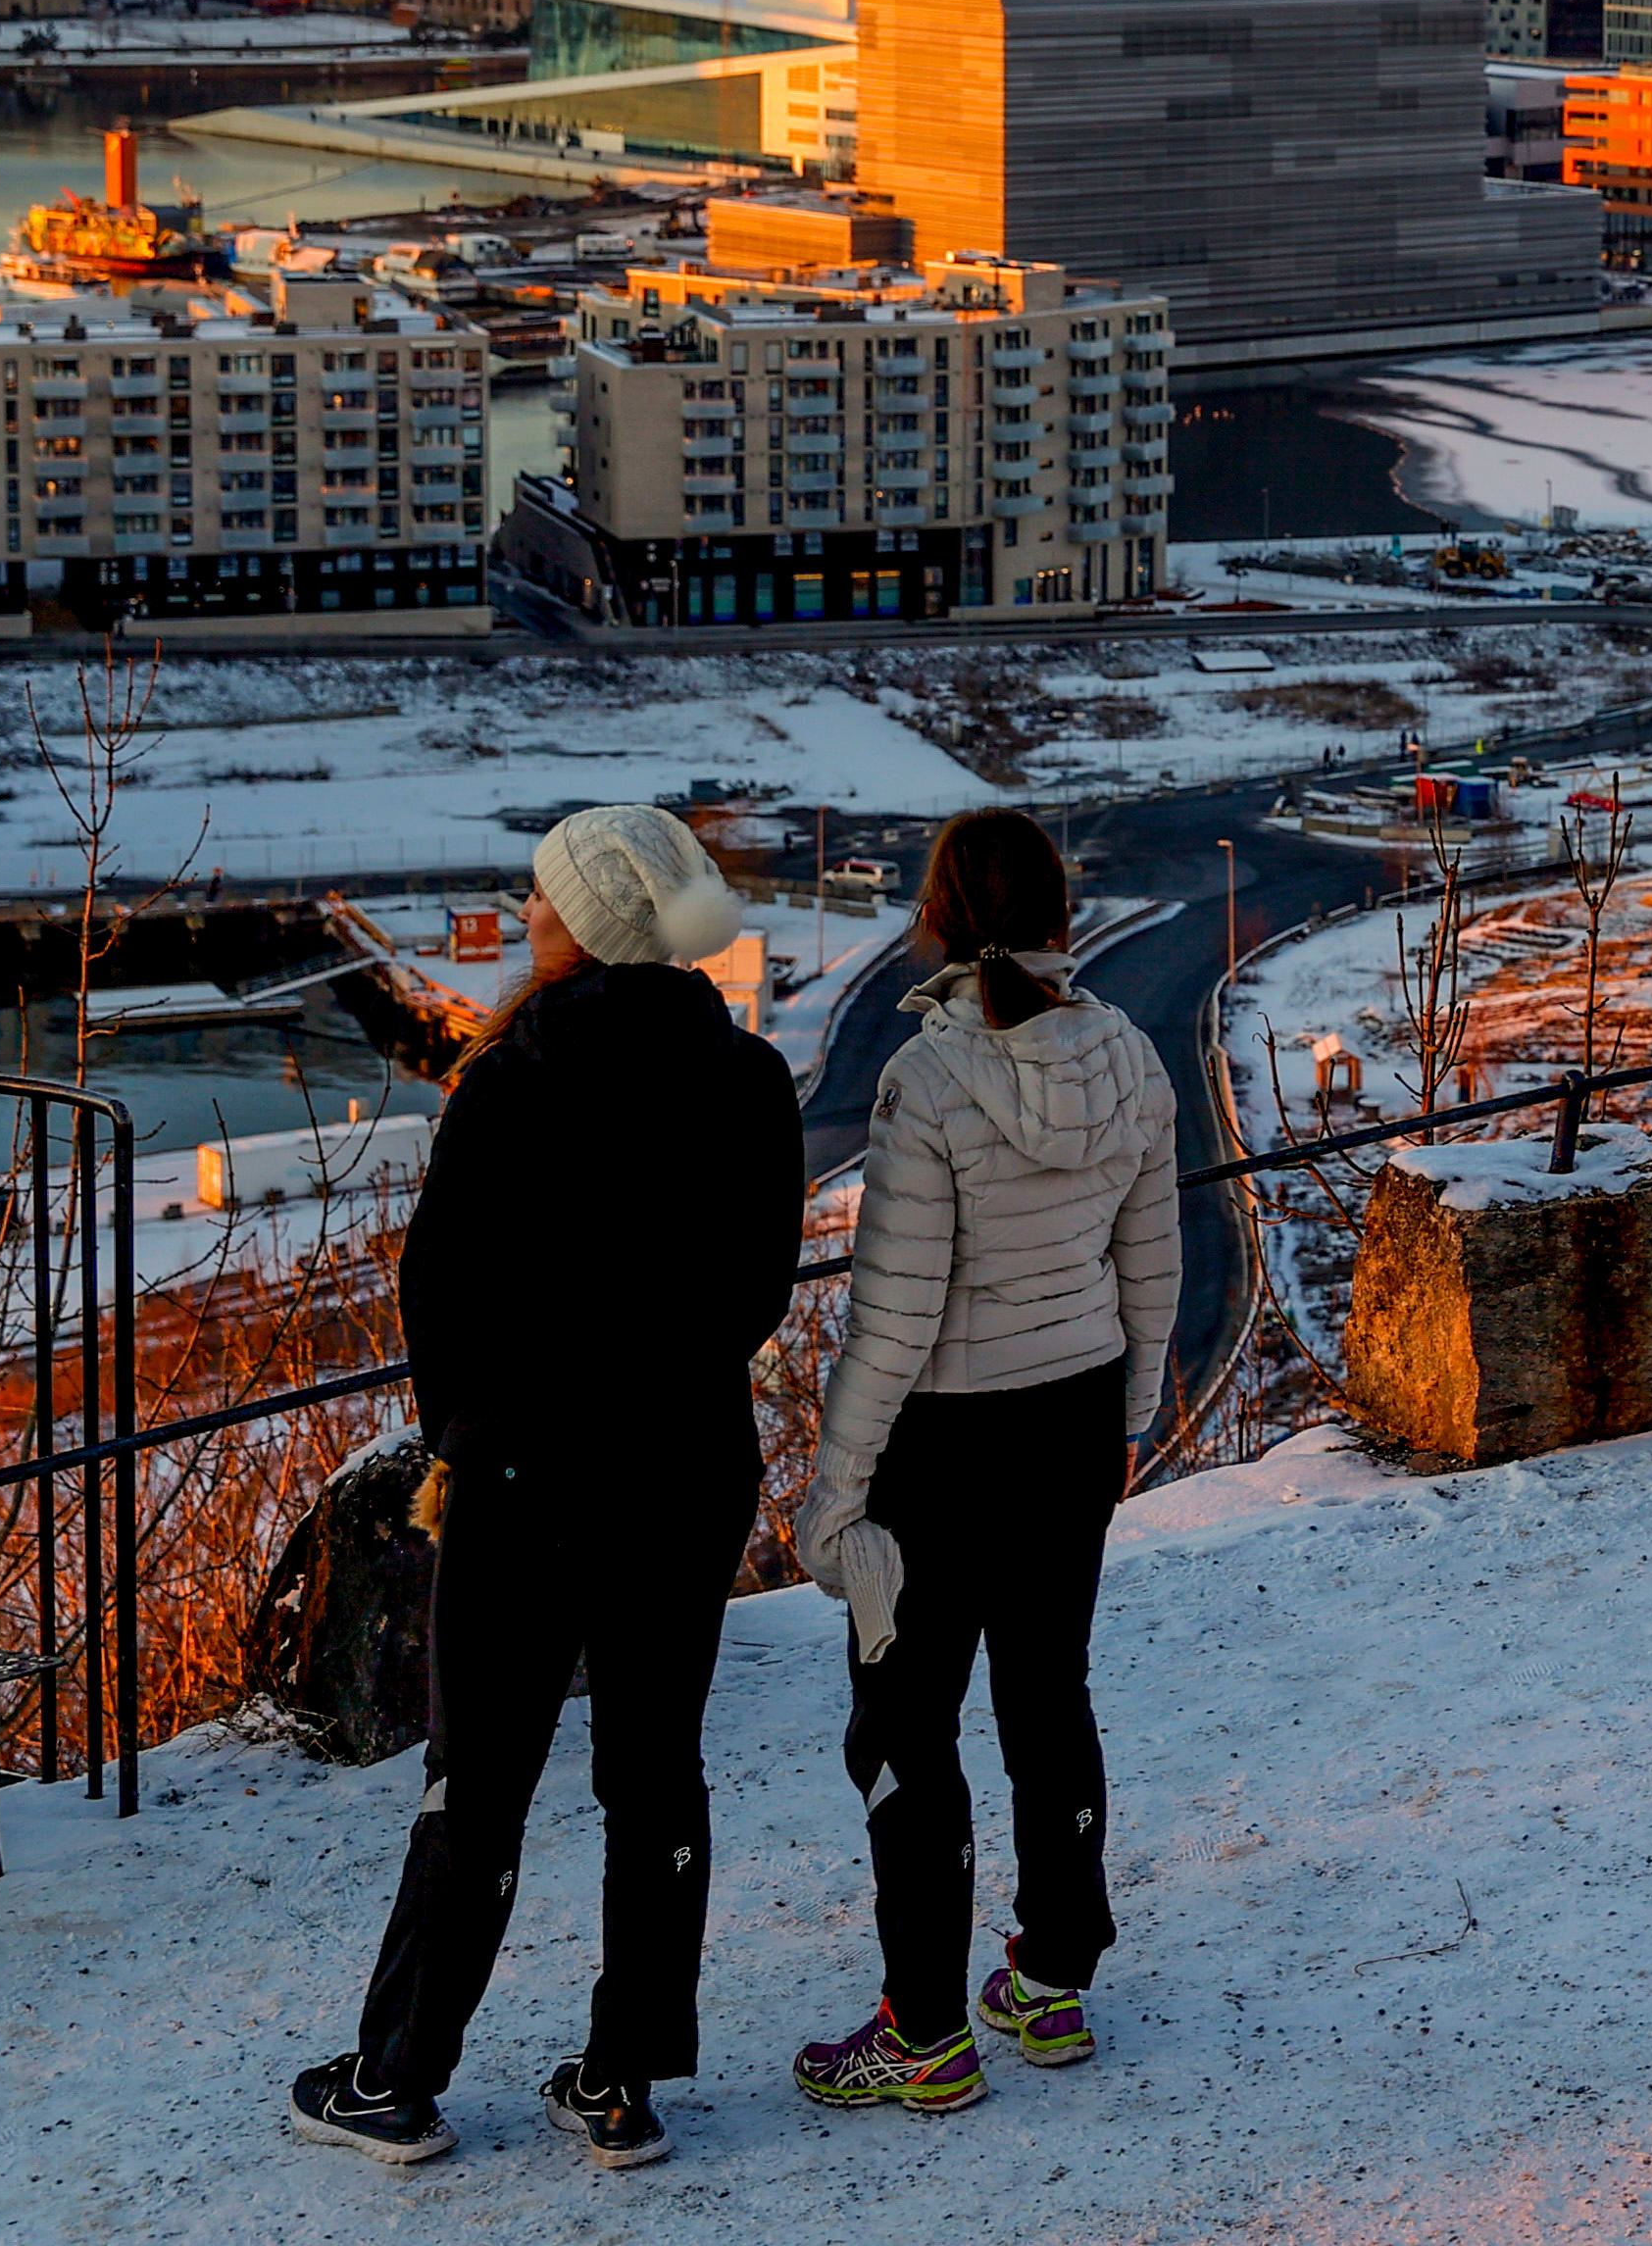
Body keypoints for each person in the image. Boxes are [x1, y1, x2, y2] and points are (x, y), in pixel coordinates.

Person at [294, 806, 801, 2172]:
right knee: (655, 1776)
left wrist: (466, 1434)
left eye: (541, 897)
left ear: (589, 922)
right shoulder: (747, 1080)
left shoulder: (512, 1082)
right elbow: (759, 1289)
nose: (525, 913)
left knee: (481, 1782)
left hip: (528, 1477)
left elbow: (438, 1297)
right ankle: (625, 2083)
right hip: (688, 1467)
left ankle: (398, 2077)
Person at [788, 808, 1181, 2112]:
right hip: (1071, 1423)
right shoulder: (1129, 1058)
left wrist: (835, 1490)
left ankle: (924, 2028)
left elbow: (891, 1317)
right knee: (1047, 1699)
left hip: (942, 1445)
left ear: (941, 917)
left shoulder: (930, 1082)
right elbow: (1150, 1267)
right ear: (1064, 915)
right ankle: (1052, 1983)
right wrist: (1128, 1419)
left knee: (906, 1726)